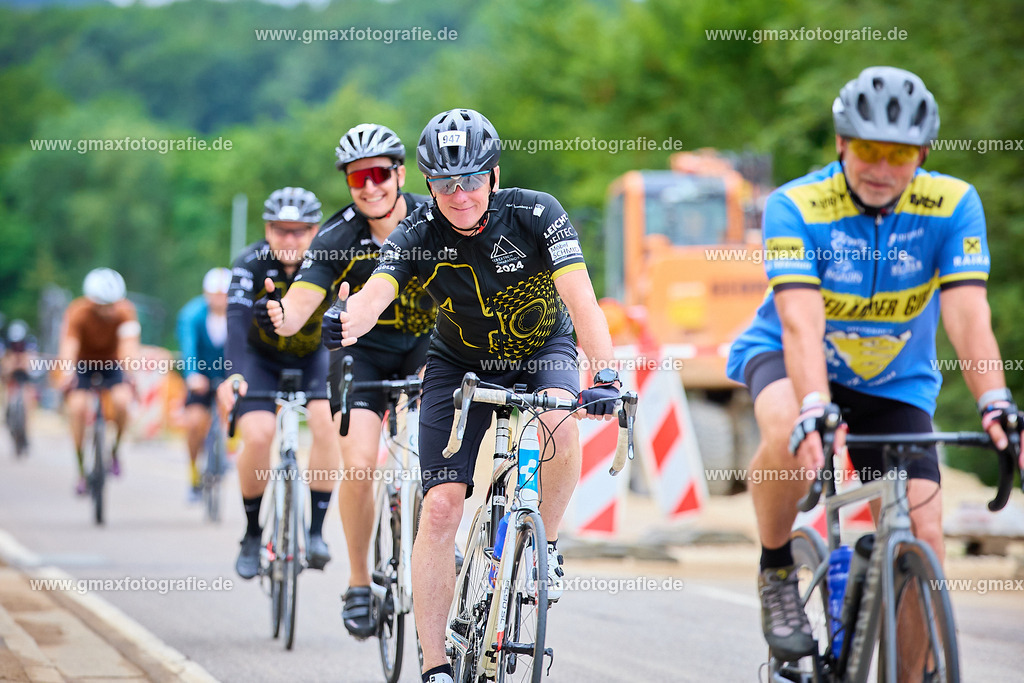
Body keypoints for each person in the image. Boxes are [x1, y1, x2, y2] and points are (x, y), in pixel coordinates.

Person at [726, 66, 1023, 663]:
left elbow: (968, 317)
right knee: (787, 426)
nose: (882, 169)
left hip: (895, 383)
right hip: (790, 357)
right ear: (841, 144)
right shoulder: (797, 206)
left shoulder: (954, 205)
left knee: (926, 536)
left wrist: (996, 402)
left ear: (923, 152)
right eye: (867, 150)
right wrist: (816, 406)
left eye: (899, 154)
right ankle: (777, 568)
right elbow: (802, 323)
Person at [324, 108, 622, 683]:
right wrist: (346, 320)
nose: (458, 195)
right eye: (442, 183)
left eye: (470, 179)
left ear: (493, 174)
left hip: (542, 352)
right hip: (457, 365)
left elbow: (584, 305)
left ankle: (547, 545)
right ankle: (434, 665)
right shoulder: (418, 233)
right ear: (429, 185)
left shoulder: (537, 213)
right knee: (439, 507)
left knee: (561, 424)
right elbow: (375, 294)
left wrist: (604, 373)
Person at [261, 124, 436, 638]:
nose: (370, 185)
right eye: (358, 176)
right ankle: (360, 581)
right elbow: (299, 305)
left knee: (437, 465)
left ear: (400, 174)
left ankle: (432, 559)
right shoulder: (337, 236)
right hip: (364, 355)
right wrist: (283, 315)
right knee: (359, 464)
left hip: (432, 350)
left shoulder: (435, 219)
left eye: (380, 173)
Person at [216, 187, 340, 580]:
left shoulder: (330, 262)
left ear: (315, 230)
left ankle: (316, 532)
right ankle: (253, 534)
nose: (290, 239)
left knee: (327, 424)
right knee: (257, 434)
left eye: (299, 231)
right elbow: (234, 320)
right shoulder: (249, 263)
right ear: (267, 230)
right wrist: (233, 372)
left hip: (313, 357)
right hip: (260, 359)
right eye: (281, 230)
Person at [57, 268, 139, 494]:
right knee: (77, 407)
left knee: (123, 402)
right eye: (103, 305)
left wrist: (130, 371)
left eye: (112, 304)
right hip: (83, 364)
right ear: (92, 301)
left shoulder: (125, 311)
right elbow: (69, 345)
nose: (108, 310)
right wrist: (66, 372)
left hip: (111, 363)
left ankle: (114, 452)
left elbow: (129, 344)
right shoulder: (78, 312)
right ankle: (82, 468)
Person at [177, 267, 231, 500]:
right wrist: (192, 374)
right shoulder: (191, 314)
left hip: (228, 377)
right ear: (205, 293)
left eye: (224, 294)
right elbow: (188, 346)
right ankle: (193, 474)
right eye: (214, 294)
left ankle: (227, 453)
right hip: (201, 377)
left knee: (237, 413)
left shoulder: (239, 314)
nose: (219, 299)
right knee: (194, 423)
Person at [2, 320, 38, 453]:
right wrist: (9, 367)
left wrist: (25, 364)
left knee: (28, 402)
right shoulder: (5, 348)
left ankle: (26, 431)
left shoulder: (30, 346)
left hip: (25, 379)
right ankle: (9, 421)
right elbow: (4, 367)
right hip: (11, 380)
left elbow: (33, 364)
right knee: (7, 400)